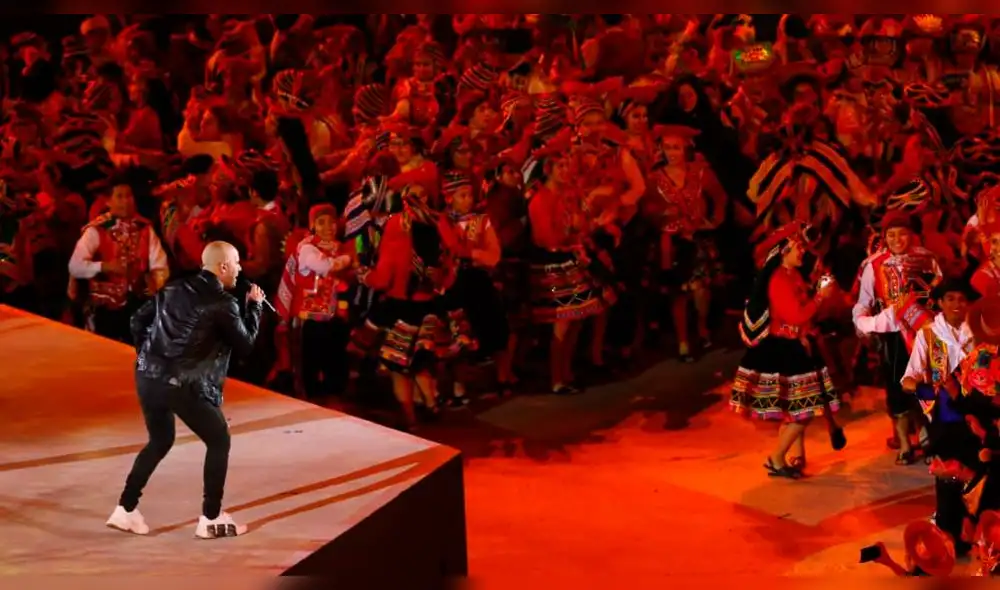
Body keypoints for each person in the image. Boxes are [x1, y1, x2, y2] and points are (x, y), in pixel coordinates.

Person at [105, 241, 264, 540]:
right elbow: (246, 346)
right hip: (180, 383)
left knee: (160, 440)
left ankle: (125, 510)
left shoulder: (173, 288)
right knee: (219, 439)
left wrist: (148, 357)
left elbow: (137, 320)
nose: (241, 268)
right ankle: (211, 517)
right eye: (237, 263)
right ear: (224, 267)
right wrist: (254, 307)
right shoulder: (223, 302)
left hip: (147, 376)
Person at [730, 222, 846, 479]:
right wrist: (820, 297)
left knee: (797, 411)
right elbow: (795, 315)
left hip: (796, 345)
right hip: (783, 351)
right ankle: (776, 458)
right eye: (798, 248)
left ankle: (793, 456)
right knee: (803, 413)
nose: (802, 252)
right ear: (783, 251)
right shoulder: (779, 279)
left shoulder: (792, 275)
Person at [901, 279, 976, 556]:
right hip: (945, 420)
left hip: (977, 418)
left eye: (962, 299)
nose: (957, 305)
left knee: (980, 480)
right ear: (940, 304)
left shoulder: (980, 332)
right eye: (951, 299)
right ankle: (949, 537)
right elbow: (908, 378)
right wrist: (924, 386)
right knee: (948, 482)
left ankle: (979, 535)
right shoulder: (928, 335)